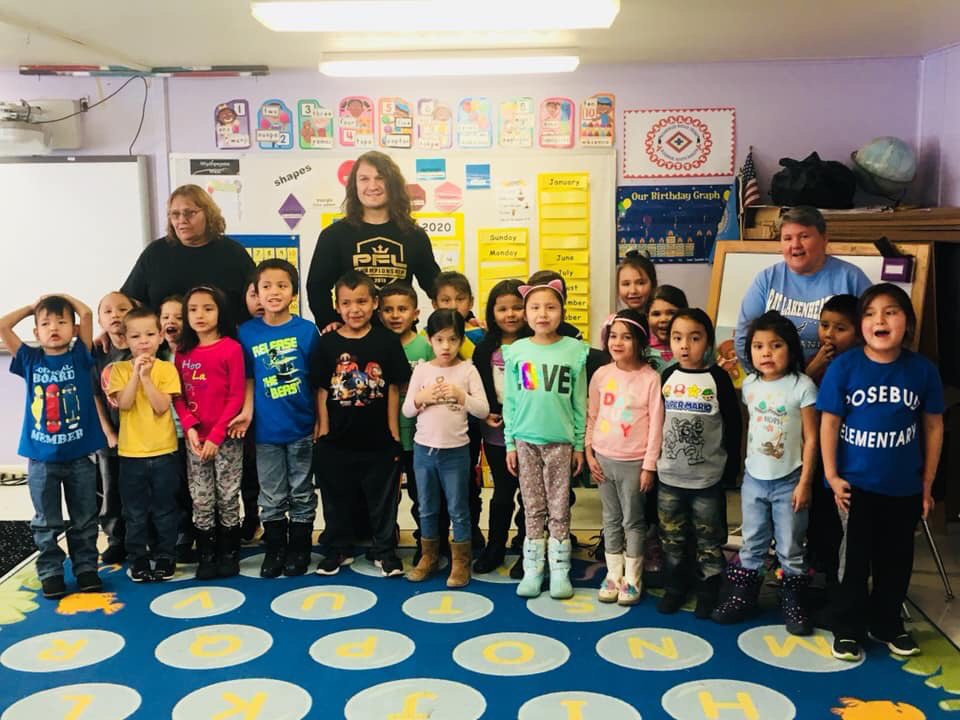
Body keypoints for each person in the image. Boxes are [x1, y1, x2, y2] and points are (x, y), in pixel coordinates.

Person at [820, 284, 944, 661]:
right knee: (853, 562)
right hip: (854, 487)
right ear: (862, 324)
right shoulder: (844, 367)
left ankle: (887, 623)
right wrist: (832, 476)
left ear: (907, 322)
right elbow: (829, 423)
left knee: (896, 560)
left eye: (891, 312)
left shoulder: (922, 370)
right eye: (871, 313)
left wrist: (927, 484)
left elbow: (933, 427)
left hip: (903, 487)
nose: (881, 320)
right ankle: (847, 626)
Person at [713, 311, 818, 635]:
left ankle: (793, 601)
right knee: (752, 541)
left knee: (790, 545)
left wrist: (805, 482)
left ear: (791, 348)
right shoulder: (750, 385)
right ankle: (744, 597)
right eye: (758, 346)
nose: (766, 353)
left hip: (790, 481)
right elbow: (750, 429)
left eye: (775, 345)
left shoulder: (802, 386)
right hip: (755, 480)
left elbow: (812, 437)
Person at [2, 294, 106, 598]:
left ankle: (86, 568)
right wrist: (32, 307)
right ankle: (51, 571)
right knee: (46, 521)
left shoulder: (80, 356)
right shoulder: (30, 359)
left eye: (62, 322)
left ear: (74, 329)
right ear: (36, 332)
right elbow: (3, 326)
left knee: (84, 517)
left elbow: (87, 313)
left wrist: (64, 302)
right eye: (46, 324)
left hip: (80, 457)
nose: (54, 328)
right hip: (41, 458)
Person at [313, 271, 411, 577]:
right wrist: (323, 430)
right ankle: (337, 548)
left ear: (374, 303)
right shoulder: (327, 343)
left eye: (361, 302)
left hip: (378, 440)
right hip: (336, 440)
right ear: (337, 306)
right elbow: (321, 389)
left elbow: (393, 387)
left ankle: (384, 551)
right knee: (336, 498)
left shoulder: (386, 341)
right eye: (346, 303)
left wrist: (393, 432)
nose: (354, 309)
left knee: (382, 500)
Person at [236, 259, 322, 578]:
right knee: (271, 493)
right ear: (256, 293)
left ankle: (300, 548)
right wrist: (247, 416)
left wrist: (319, 420)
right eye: (267, 286)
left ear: (293, 293)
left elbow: (317, 381)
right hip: (265, 431)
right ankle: (275, 549)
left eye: (282, 286)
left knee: (301, 490)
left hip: (301, 426)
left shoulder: (306, 330)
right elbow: (246, 380)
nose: (274, 292)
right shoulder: (246, 333)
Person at [504, 279, 588, 600]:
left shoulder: (574, 350)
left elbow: (579, 402)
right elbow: (510, 402)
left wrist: (578, 444)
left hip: (560, 442)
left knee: (559, 506)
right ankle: (533, 569)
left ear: (562, 312)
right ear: (525, 313)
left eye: (551, 307)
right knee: (532, 506)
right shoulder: (517, 351)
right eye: (535, 307)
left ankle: (560, 569)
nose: (543, 314)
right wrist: (510, 442)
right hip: (525, 441)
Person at [657, 309, 741, 618]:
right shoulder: (667, 376)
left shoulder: (717, 378)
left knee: (709, 539)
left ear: (707, 341)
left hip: (707, 478)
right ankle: (675, 588)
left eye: (694, 338)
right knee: (672, 538)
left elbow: (733, 426)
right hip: (669, 477)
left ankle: (708, 591)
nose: (685, 345)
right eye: (677, 338)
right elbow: (657, 423)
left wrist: (731, 470)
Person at [307, 151, 441, 331]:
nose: (372, 186)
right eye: (364, 179)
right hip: (352, 336)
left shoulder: (414, 235)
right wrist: (328, 321)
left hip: (400, 336)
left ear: (392, 184)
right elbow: (317, 287)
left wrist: (465, 315)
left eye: (380, 178)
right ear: (354, 185)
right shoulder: (333, 235)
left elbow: (436, 286)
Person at [403, 309, 489, 586]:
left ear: (461, 340)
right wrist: (422, 397)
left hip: (456, 452)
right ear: (429, 339)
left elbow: (483, 409)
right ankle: (428, 556)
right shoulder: (422, 370)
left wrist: (462, 396)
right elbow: (407, 410)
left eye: (453, 339)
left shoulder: (467, 370)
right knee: (427, 507)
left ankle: (461, 561)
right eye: (439, 339)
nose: (446, 346)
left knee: (458, 508)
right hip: (423, 451)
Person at [585, 309, 663, 606]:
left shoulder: (650, 378)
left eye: (626, 337)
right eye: (613, 336)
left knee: (633, 520)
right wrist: (589, 452)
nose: (617, 342)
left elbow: (656, 425)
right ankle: (613, 574)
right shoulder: (601, 374)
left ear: (640, 341)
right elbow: (593, 415)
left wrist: (649, 466)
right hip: (603, 458)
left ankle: (632, 577)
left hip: (634, 462)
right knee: (611, 518)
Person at [734, 206, 871, 365]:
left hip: (839, 373)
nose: (795, 245)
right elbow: (743, 338)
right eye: (787, 238)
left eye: (804, 236)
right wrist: (760, 376)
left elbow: (873, 333)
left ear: (824, 239)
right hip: (777, 377)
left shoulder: (851, 277)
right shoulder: (766, 279)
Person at [173, 286, 246, 579]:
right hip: (195, 440)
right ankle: (207, 554)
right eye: (193, 309)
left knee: (227, 495)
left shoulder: (231, 348)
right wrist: (189, 426)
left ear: (220, 312)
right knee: (201, 498)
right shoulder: (182, 352)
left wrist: (216, 435)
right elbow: (177, 395)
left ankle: (229, 552)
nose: (200, 315)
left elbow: (236, 396)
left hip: (226, 438)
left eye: (207, 308)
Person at [107, 306, 182, 582]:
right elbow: (124, 404)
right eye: (136, 336)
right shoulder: (118, 370)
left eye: (150, 334)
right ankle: (138, 559)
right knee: (135, 513)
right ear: (125, 340)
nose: (143, 342)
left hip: (164, 452)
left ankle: (165, 557)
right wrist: (135, 375)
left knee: (165, 510)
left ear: (160, 336)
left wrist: (148, 378)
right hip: (131, 454)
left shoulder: (167, 369)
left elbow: (161, 407)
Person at [121, 185, 255, 325]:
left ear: (208, 214)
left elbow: (256, 299)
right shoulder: (155, 253)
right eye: (175, 214)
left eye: (189, 213)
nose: (182, 220)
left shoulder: (233, 253)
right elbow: (130, 300)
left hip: (223, 337)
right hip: (167, 337)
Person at [472, 280, 528, 575]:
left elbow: (533, 388)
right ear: (492, 313)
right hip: (496, 433)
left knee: (530, 495)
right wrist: (488, 413)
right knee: (503, 492)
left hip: (530, 431)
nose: (510, 314)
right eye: (502, 309)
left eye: (517, 307)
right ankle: (495, 547)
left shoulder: (534, 345)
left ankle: (528, 548)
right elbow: (479, 388)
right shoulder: (484, 349)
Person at [804, 293, 859, 586]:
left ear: (858, 332)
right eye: (824, 325)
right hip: (815, 452)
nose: (829, 334)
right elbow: (792, 394)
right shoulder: (814, 363)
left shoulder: (860, 364)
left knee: (837, 518)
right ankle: (816, 569)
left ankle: (837, 576)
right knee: (816, 513)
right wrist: (813, 367)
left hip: (847, 455)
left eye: (840, 328)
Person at [379, 281, 434, 561]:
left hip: (418, 436)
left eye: (402, 309)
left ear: (415, 313)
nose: (395, 315)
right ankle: (386, 539)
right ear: (379, 313)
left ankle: (426, 541)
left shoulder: (425, 346)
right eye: (388, 309)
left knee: (420, 492)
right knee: (387, 495)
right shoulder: (377, 345)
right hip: (385, 434)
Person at [431, 270, 486, 552]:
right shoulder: (429, 337)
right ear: (434, 303)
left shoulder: (479, 336)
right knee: (434, 484)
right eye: (445, 300)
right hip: (436, 425)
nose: (453, 306)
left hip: (469, 424)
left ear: (470, 302)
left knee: (466, 480)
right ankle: (436, 534)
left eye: (460, 299)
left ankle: (470, 529)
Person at [91, 291, 135, 564]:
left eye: (122, 309)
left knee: (143, 488)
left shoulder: (144, 346)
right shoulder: (98, 353)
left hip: (142, 435)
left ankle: (147, 537)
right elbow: (96, 394)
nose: (115, 315)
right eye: (107, 311)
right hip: (110, 435)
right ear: (99, 320)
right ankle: (116, 539)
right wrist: (108, 431)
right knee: (111, 489)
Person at [157, 295, 193, 562]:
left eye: (179, 317)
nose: (172, 321)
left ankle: (192, 533)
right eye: (166, 317)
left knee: (193, 489)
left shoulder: (193, 353)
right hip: (163, 435)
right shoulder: (154, 356)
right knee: (172, 489)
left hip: (191, 432)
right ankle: (178, 536)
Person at [234, 276, 264, 543]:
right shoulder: (239, 333)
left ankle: (280, 522)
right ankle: (252, 518)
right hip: (244, 412)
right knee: (248, 469)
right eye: (253, 295)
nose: (260, 300)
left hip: (277, 410)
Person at [645, 285, 688, 375]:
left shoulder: (696, 349)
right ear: (647, 317)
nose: (663, 319)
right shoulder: (641, 350)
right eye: (656, 314)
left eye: (671, 313)